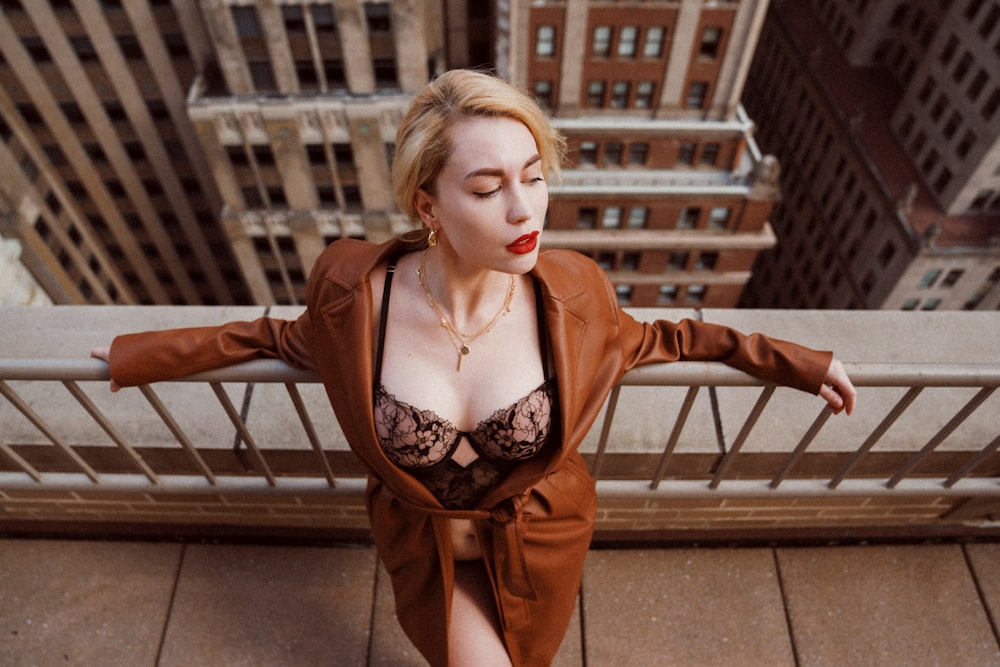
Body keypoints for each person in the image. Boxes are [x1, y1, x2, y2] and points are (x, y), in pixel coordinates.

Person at [91, 69, 856, 666]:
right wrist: (134, 356)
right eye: (488, 188)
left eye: (535, 175)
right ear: (428, 206)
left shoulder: (575, 294)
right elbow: (269, 337)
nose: (525, 211)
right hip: (427, 554)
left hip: (543, 546)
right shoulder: (353, 292)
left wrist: (800, 363)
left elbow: (673, 337)